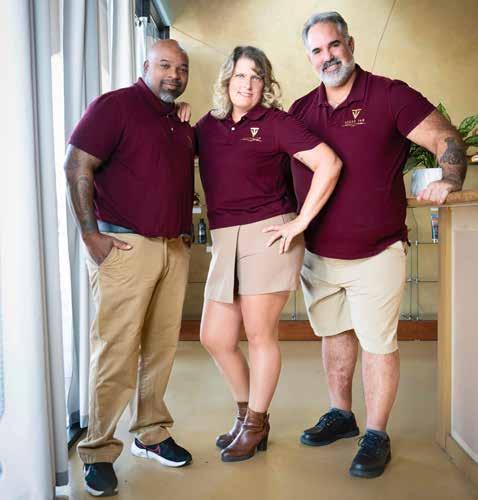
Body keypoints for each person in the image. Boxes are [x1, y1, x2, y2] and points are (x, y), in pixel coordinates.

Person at [285, 11, 467, 479]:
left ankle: (376, 433)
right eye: (317, 50)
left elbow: (446, 138)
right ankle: (341, 414)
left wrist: (449, 179)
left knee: (378, 343)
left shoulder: (389, 95)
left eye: (334, 45)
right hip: (318, 253)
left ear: (351, 44)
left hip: (377, 251)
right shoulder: (301, 111)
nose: (328, 56)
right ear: (309, 58)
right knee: (334, 334)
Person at [196, 46, 342, 463]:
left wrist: (300, 222)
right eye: (241, 75)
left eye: (256, 77)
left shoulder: (277, 123)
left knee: (260, 334)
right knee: (215, 337)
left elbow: (329, 164)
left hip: (268, 233)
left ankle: (255, 423)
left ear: (265, 84)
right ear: (227, 79)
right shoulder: (207, 126)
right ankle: (247, 416)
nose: (247, 84)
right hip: (225, 237)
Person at [64, 40, 195, 497]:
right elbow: (76, 165)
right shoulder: (114, 106)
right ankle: (98, 451)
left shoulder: (179, 122)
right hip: (124, 246)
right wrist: (90, 235)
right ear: (145, 66)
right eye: (165, 66)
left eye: (181, 68)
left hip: (172, 248)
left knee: (160, 349)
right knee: (115, 351)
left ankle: (151, 433)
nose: (174, 75)